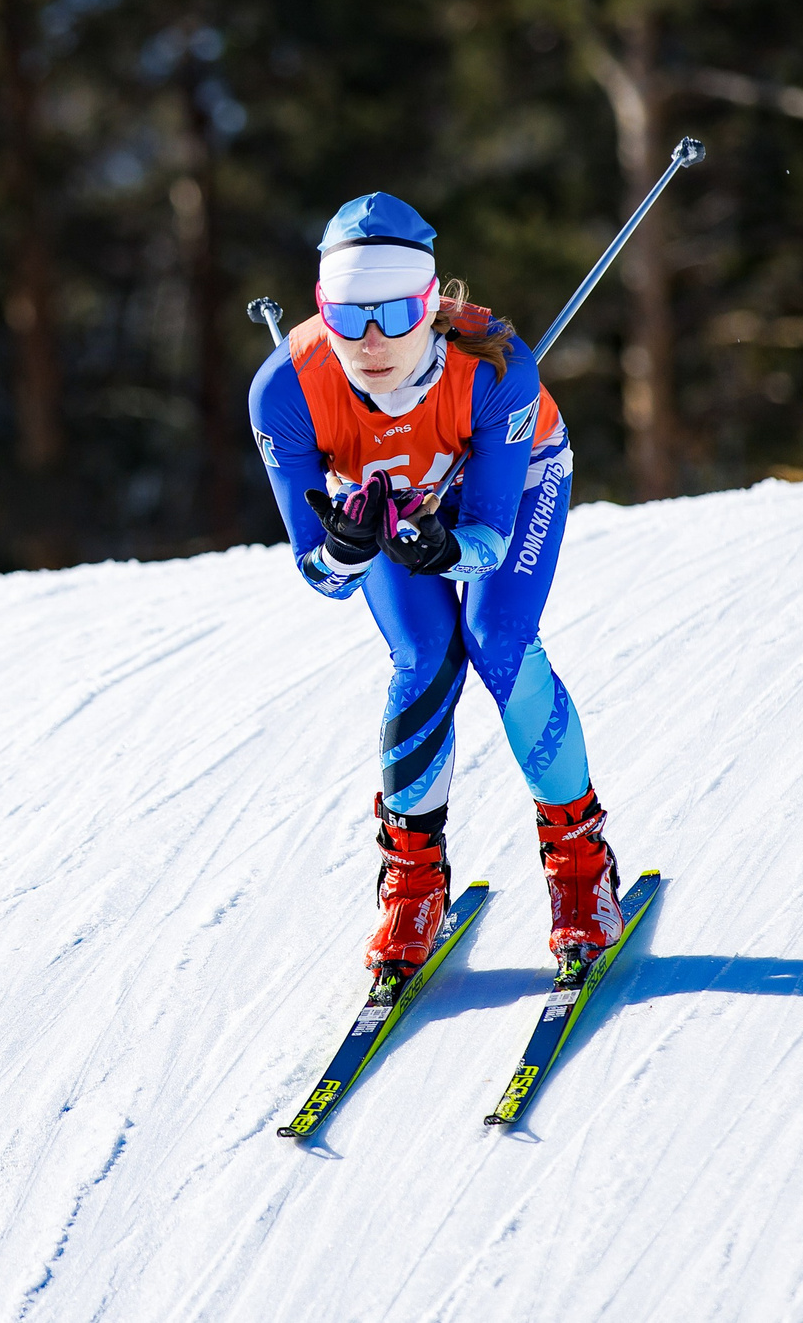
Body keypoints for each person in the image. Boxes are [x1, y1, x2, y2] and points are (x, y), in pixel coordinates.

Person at [249, 192, 623, 996]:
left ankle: (582, 867)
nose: (373, 339)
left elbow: (487, 539)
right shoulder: (284, 391)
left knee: (499, 644)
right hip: (389, 507)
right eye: (349, 317)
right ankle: (414, 881)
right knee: (423, 657)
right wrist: (346, 549)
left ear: (432, 304)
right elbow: (319, 576)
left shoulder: (495, 365)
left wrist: (448, 546)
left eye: (394, 312)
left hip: (511, 487)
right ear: (322, 310)